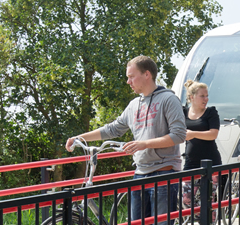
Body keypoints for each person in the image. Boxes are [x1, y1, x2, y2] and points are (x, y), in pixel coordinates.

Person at [64, 56, 185, 224]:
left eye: (131, 76)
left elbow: (179, 135)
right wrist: (79, 137)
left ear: (147, 74)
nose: (128, 81)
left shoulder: (168, 99)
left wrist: (144, 144)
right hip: (140, 173)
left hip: (164, 174)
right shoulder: (134, 104)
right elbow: (112, 129)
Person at [181, 80, 221, 208]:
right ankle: (201, 218)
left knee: (208, 201)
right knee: (186, 200)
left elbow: (213, 134)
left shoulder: (211, 112)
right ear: (192, 97)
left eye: (207, 95)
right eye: (202, 96)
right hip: (191, 162)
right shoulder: (183, 112)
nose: (206, 99)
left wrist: (193, 134)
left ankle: (208, 221)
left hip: (211, 162)